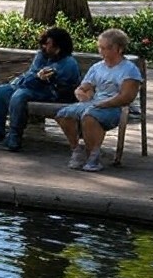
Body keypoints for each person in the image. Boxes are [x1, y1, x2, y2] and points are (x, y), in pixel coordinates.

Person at [0, 27, 80, 151]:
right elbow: (31, 76)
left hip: (53, 94)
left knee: (19, 95)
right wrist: (36, 77)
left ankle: (15, 136)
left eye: (47, 44)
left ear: (58, 46)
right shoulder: (42, 55)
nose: (44, 46)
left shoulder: (68, 63)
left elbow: (52, 85)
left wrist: (36, 78)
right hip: (30, 87)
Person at [56, 28, 142, 173]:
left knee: (90, 115)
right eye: (100, 48)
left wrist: (104, 103)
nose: (101, 51)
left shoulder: (129, 70)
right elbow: (84, 87)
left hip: (117, 107)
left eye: (106, 48)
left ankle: (93, 157)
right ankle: (77, 150)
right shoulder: (97, 67)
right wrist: (80, 92)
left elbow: (127, 96)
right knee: (64, 114)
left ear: (118, 49)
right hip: (95, 102)